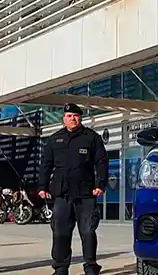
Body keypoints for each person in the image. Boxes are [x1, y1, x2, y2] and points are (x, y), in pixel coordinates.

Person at [39, 103, 109, 275]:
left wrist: (100, 185)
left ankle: (91, 267)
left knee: (88, 231)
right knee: (60, 233)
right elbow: (45, 165)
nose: (72, 119)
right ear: (64, 119)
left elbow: (101, 162)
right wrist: (42, 186)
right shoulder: (55, 139)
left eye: (76, 116)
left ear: (80, 118)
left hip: (86, 194)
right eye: (69, 116)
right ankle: (60, 268)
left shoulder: (91, 138)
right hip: (62, 195)